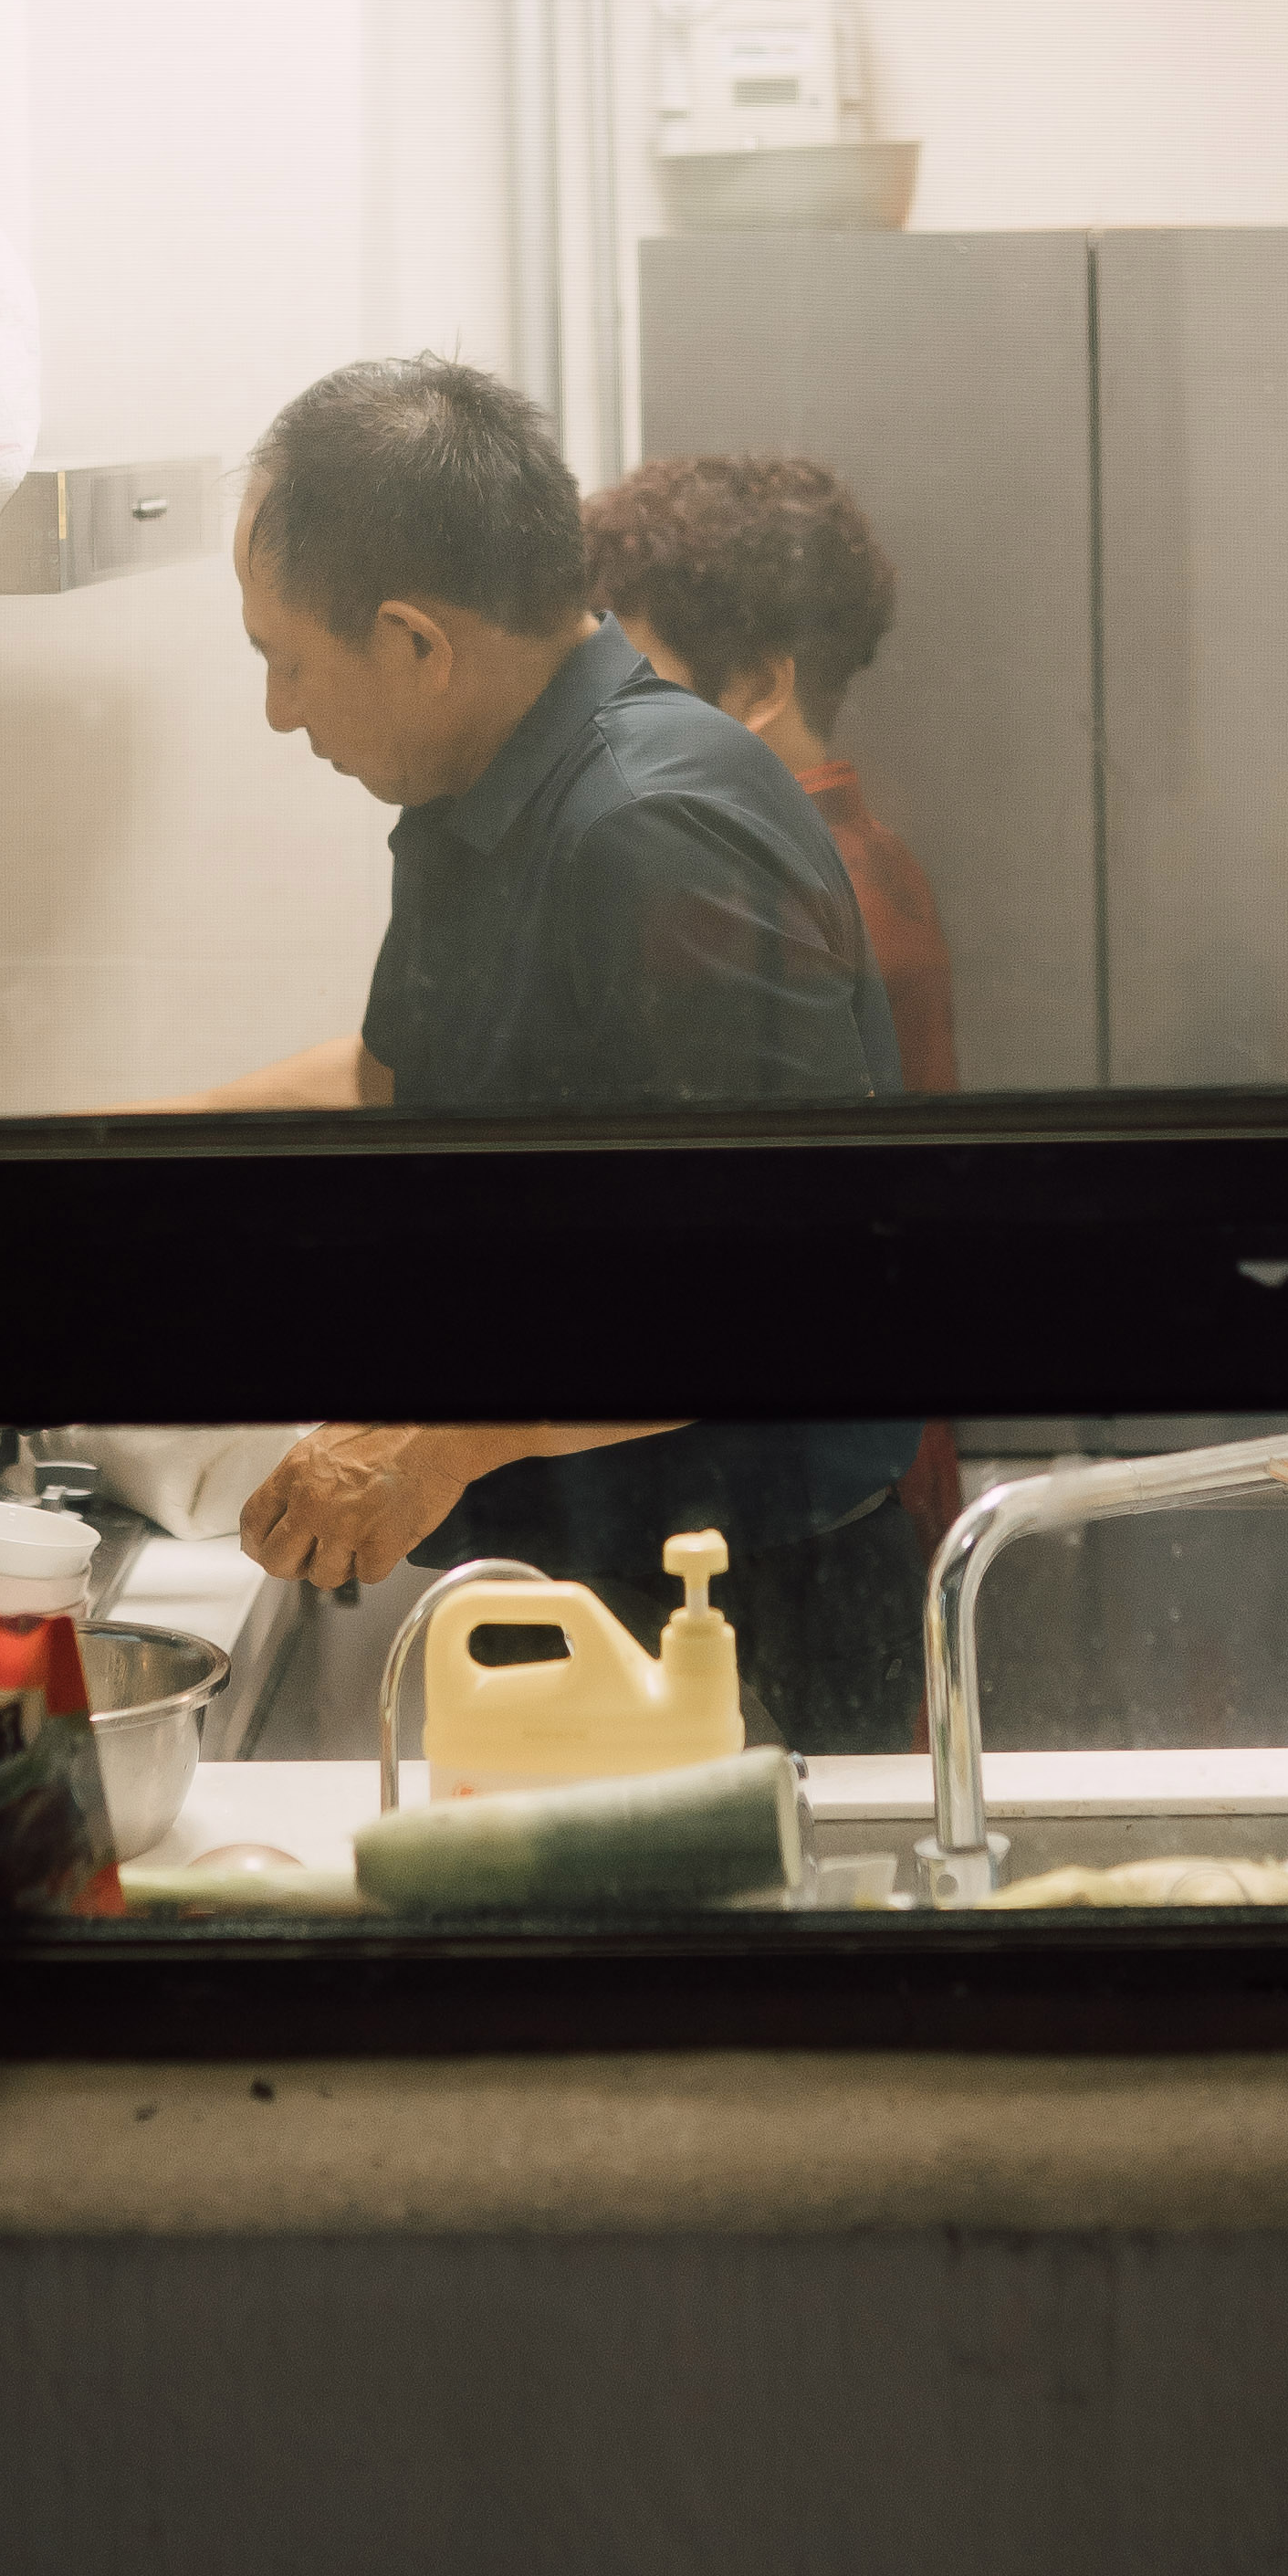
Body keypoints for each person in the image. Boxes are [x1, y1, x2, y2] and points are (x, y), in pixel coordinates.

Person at [175, 355, 927, 1752]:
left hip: (740, 1611)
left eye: (287, 659)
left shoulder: (651, 829)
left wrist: (441, 1434)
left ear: (415, 640)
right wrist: (112, 1148)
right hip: (583, 1571)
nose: (280, 709)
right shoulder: (479, 795)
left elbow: (778, 1281)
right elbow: (397, 1080)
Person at [578, 448, 960, 1097]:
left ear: (757, 689)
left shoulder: (731, 891)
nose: (600, 704)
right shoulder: (882, 862)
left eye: (634, 679)